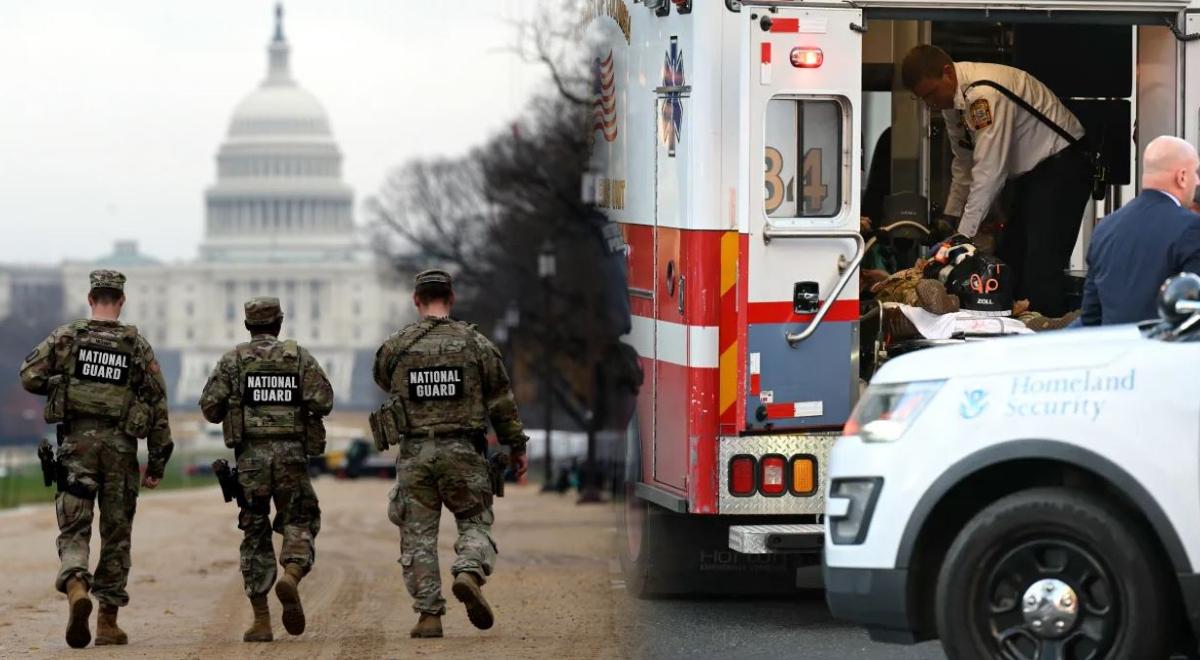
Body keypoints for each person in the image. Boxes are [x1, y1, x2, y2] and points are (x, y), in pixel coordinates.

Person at [18, 269, 173, 648]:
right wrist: (156, 463)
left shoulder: (67, 336)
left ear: (90, 298)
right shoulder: (136, 345)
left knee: (75, 526)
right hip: (120, 451)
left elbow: (29, 376)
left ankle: (75, 584)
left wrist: (63, 384)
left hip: (76, 448)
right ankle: (107, 622)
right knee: (116, 535)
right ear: (120, 301)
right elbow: (157, 405)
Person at [372, 268, 528, 639]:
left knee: (417, 537)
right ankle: (468, 571)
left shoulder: (395, 348)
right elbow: (501, 400)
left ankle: (429, 615)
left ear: (416, 300)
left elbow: (382, 381)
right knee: (475, 522)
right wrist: (516, 446)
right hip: (464, 450)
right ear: (452, 297)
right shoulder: (477, 344)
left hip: (415, 454)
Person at [902, 45, 1095, 317]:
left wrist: (963, 235)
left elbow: (989, 172)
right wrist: (950, 215)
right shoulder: (954, 102)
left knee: (1040, 267)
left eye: (932, 93)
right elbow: (963, 163)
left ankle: (1046, 335)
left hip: (1063, 166)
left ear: (947, 73)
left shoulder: (984, 94)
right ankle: (1014, 327)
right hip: (1032, 174)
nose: (930, 103)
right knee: (1009, 258)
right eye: (923, 99)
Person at [199, 297, 333, 642]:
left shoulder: (233, 361)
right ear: (279, 323)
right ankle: (292, 573)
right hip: (291, 457)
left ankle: (261, 621)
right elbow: (324, 401)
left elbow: (210, 409)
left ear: (247, 325)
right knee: (299, 520)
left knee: (254, 533)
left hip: (251, 463)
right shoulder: (298, 357)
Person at [1081, 136, 1200, 325]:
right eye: (1196, 173)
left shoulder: (1105, 229)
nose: (1198, 181)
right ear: (1182, 177)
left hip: (1117, 351)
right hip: (1166, 351)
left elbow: (1090, 319)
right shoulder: (1192, 228)